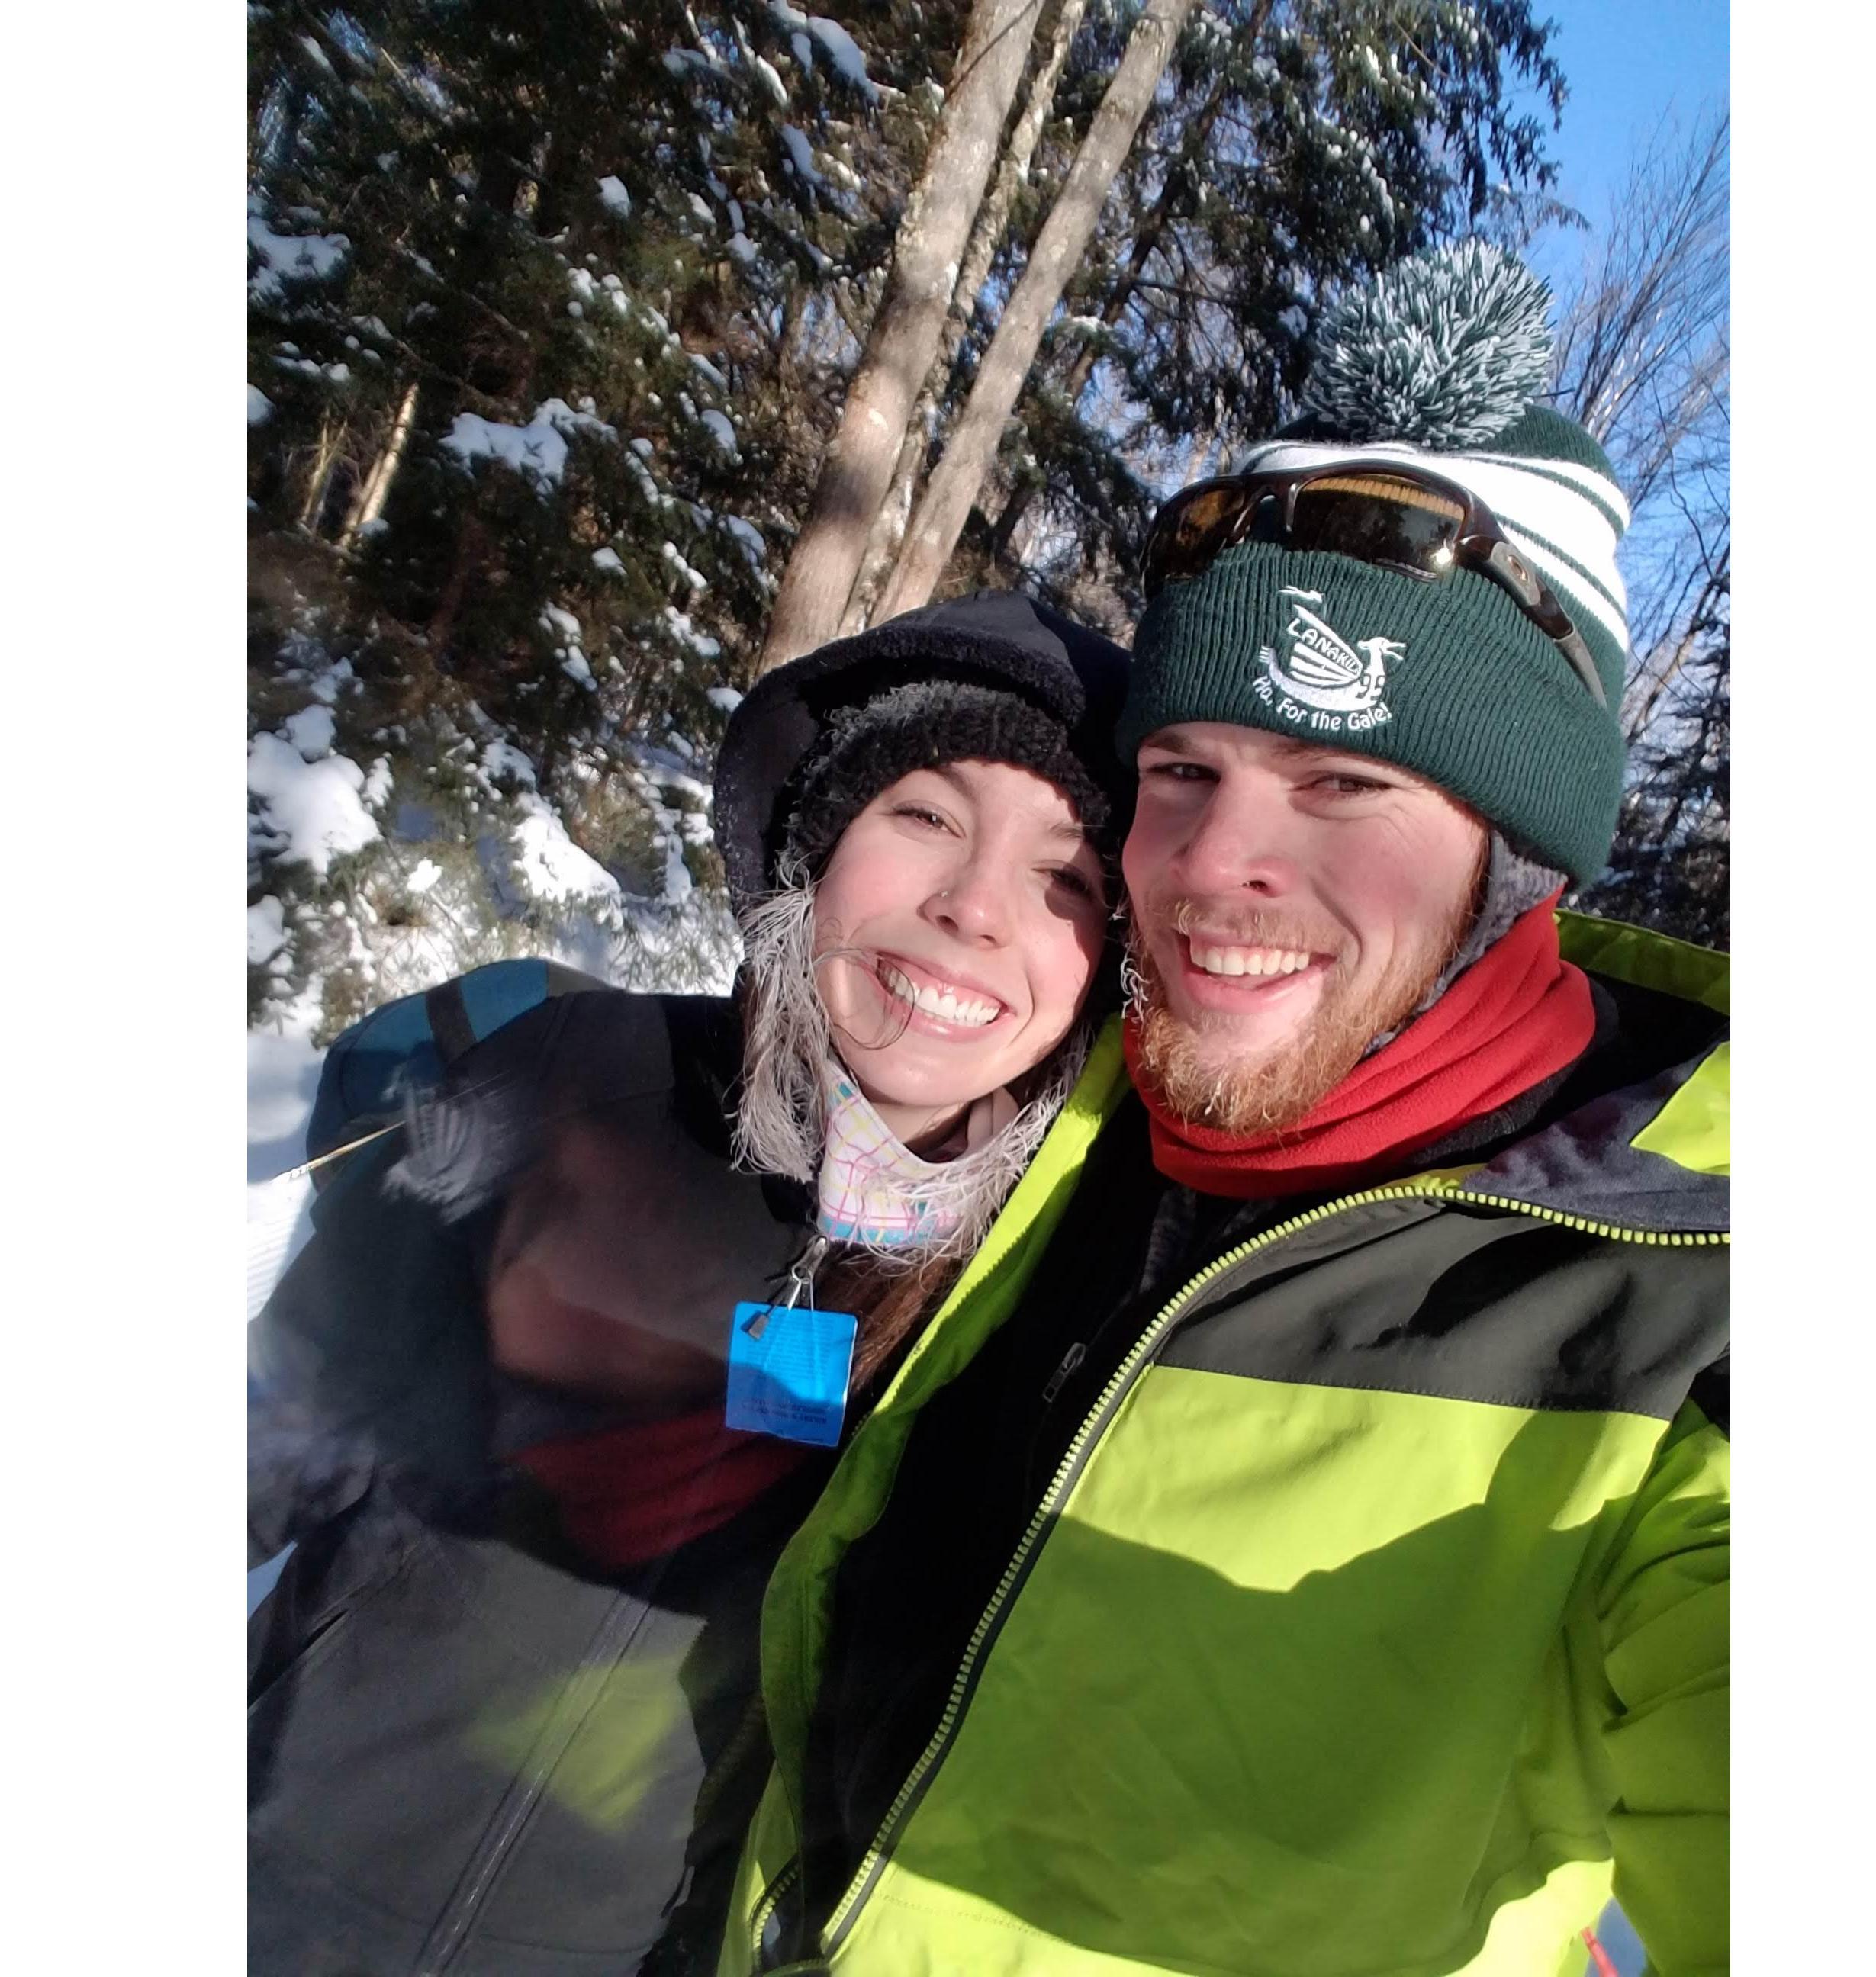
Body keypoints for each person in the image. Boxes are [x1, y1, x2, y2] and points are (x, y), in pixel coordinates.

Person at [716, 245, 1729, 1977]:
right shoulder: (1074, 1096)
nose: (1213, 864)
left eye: (1345, 783)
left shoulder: (1691, 1311)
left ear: (1521, 858)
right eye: (1182, 772)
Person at [246, 590, 1132, 1975]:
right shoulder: (581, 1072)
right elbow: (274, 1434)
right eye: (925, 816)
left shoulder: (1057, 1305)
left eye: (1066, 880)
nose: (972, 907)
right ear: (819, 841)